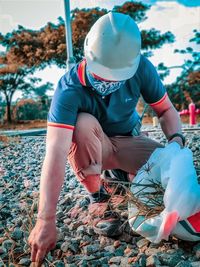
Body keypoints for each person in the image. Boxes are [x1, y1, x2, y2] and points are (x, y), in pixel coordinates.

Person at [28, 12, 185, 264]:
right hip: (95, 145)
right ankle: (98, 198)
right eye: (100, 75)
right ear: (88, 54)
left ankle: (120, 180)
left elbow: (166, 111)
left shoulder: (141, 68)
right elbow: (56, 151)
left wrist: (176, 143)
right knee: (81, 124)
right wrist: (45, 220)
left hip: (129, 139)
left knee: (171, 174)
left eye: (114, 77)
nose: (105, 81)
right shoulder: (68, 89)